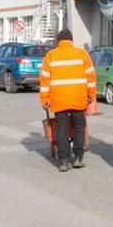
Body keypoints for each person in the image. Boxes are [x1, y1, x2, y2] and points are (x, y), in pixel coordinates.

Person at [40, 28, 95, 172]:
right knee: (78, 127)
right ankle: (78, 157)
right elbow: (91, 77)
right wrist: (91, 95)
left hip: (59, 100)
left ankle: (64, 160)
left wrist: (44, 99)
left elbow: (44, 80)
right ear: (71, 41)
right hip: (78, 98)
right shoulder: (82, 54)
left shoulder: (50, 55)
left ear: (58, 41)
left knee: (62, 129)